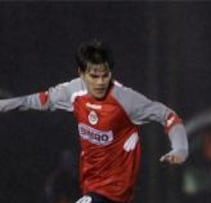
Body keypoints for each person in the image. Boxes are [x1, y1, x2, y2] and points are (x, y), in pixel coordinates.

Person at [0, 39, 189, 203]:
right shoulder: (73, 92)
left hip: (115, 193)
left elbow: (168, 116)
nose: (100, 82)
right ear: (81, 73)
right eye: (94, 76)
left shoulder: (125, 99)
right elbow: (33, 101)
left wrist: (180, 148)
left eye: (105, 75)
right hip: (90, 187)